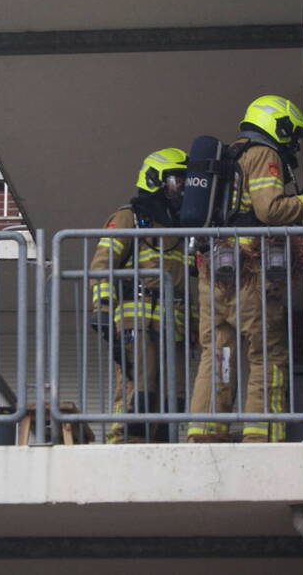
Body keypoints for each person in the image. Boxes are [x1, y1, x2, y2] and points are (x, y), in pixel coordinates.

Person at [187, 95, 303, 443]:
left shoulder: (230, 156)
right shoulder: (263, 154)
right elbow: (270, 209)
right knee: (267, 351)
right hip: (249, 271)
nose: (293, 142)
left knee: (218, 353)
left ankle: (205, 432)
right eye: (292, 133)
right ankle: (262, 433)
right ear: (278, 125)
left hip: (214, 272)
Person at [88, 148, 194, 443]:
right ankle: (123, 442)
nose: (181, 188)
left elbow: (186, 283)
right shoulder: (129, 218)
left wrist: (195, 324)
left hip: (174, 325)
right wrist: (103, 307)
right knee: (138, 388)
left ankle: (162, 446)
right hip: (136, 320)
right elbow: (101, 264)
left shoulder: (182, 228)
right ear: (154, 180)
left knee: (173, 394)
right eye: (176, 180)